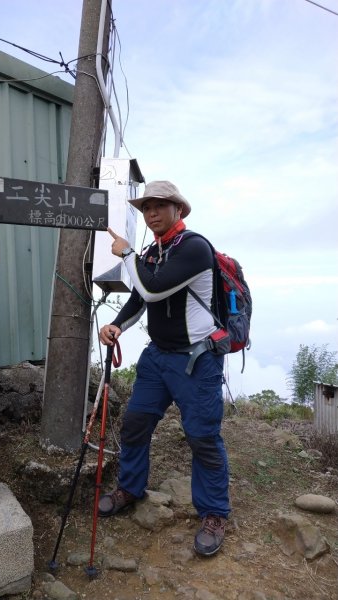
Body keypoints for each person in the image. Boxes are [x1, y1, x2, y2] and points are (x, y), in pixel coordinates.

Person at [97, 180, 230, 557]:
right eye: (146, 208)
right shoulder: (153, 251)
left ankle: (214, 513)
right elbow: (142, 296)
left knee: (202, 437)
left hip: (196, 359)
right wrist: (117, 325)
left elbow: (153, 289)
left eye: (159, 206)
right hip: (157, 357)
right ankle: (130, 488)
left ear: (178, 210)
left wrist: (125, 255)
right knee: (136, 423)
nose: (151, 213)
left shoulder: (194, 248)